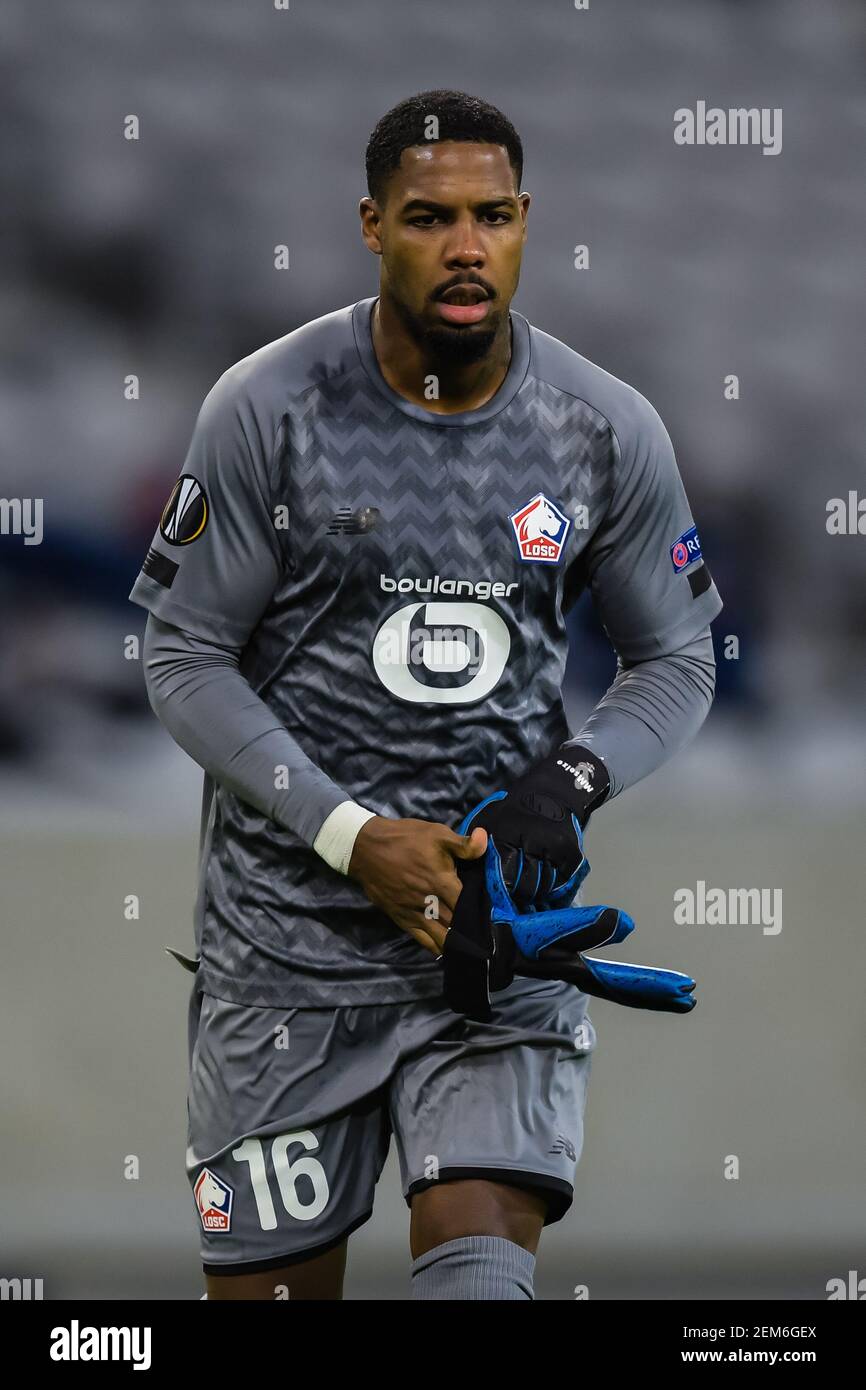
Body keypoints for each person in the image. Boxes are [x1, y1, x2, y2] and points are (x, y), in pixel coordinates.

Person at [130, 89, 722, 1301]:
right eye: (428, 218)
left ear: (524, 222)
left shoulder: (602, 428)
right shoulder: (267, 407)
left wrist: (569, 781)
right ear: (370, 226)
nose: (465, 247)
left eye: (492, 217)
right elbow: (183, 656)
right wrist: (352, 839)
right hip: (281, 963)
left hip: (485, 951)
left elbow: (677, 656)